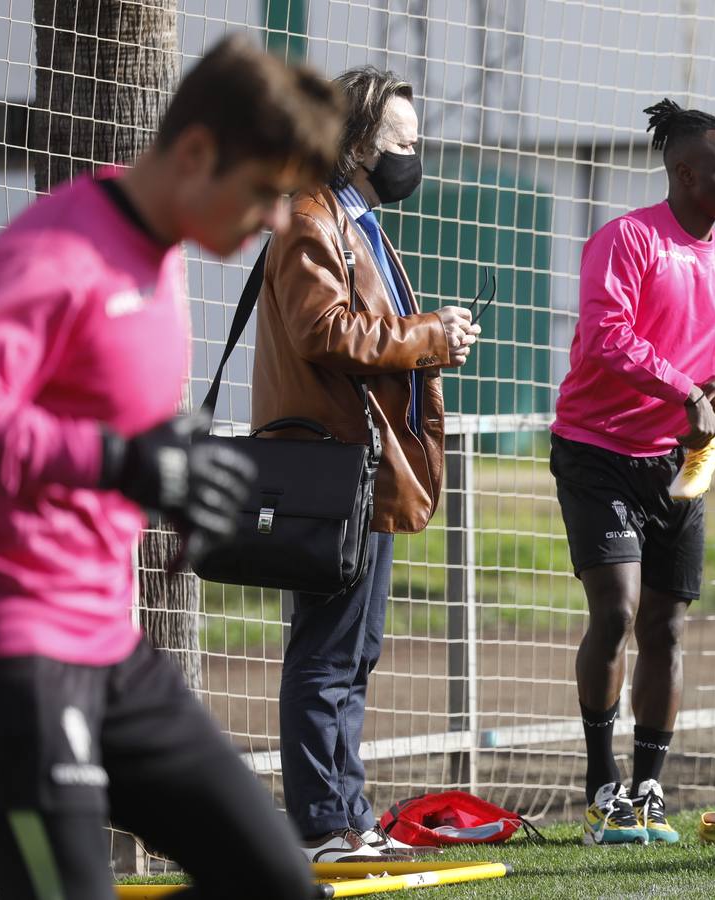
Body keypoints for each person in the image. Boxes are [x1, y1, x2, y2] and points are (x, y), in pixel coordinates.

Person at [0, 35, 343, 898]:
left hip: (110, 649)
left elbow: (106, 429)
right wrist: (118, 460)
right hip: (12, 661)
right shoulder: (55, 255)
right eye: (265, 192)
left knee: (279, 883)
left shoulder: (163, 253)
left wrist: (179, 478)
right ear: (194, 153)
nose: (278, 220)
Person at [550, 99, 715, 846]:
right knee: (617, 612)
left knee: (665, 626)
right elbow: (605, 338)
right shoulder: (627, 239)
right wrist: (687, 393)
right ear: (685, 171)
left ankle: (648, 789)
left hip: (678, 464)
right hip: (595, 451)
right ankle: (601, 791)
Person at [253, 65, 479, 864]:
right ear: (352, 145)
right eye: (399, 143)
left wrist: (428, 336)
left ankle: (347, 817)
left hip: (361, 468)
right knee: (328, 652)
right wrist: (428, 336)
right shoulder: (310, 219)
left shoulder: (351, 219)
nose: (411, 157)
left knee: (355, 648)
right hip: (331, 470)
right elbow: (327, 332)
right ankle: (322, 825)